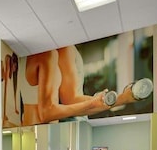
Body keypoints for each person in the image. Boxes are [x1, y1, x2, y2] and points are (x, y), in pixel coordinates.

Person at [18, 45, 150, 126]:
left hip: (40, 127)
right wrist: (120, 99)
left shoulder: (49, 54)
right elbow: (66, 102)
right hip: (52, 126)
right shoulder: (55, 53)